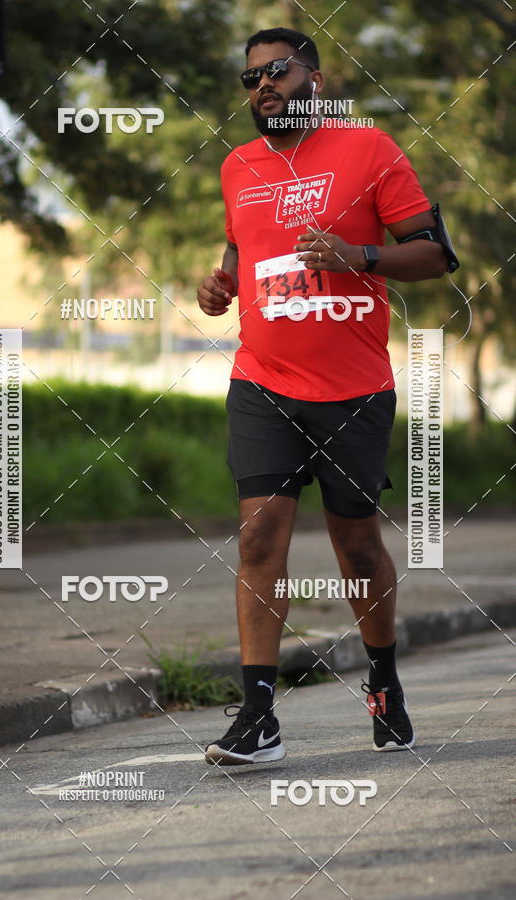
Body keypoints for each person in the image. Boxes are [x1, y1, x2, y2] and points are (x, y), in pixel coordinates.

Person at [197, 27, 454, 766]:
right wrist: (220, 285)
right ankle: (258, 715)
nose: (261, 88)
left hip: (354, 388)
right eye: (249, 80)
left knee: (360, 549)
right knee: (256, 538)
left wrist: (359, 256)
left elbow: (435, 253)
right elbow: (242, 250)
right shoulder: (238, 165)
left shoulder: (369, 148)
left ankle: (383, 682)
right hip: (263, 381)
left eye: (274, 72)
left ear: (315, 75)